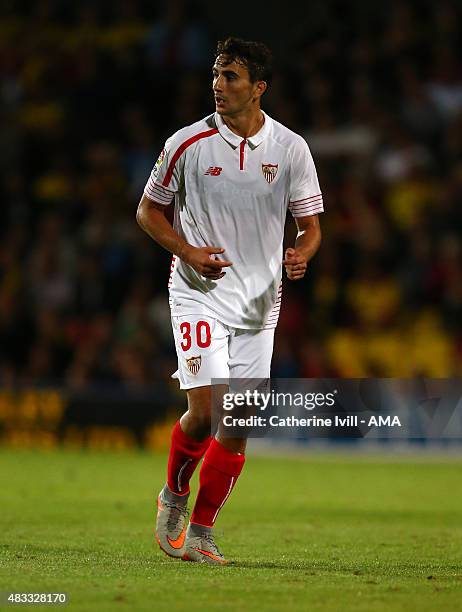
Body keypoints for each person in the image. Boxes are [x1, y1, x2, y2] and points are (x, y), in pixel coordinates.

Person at [137, 37, 323, 564]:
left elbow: (310, 227)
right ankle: (173, 495)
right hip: (199, 293)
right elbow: (148, 212)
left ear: (259, 87)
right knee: (203, 410)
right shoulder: (186, 144)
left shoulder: (291, 149)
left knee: (239, 420)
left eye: (232, 77)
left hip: (259, 304)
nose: (219, 85)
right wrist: (187, 250)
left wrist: (301, 253)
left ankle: (201, 531)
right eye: (216, 75)